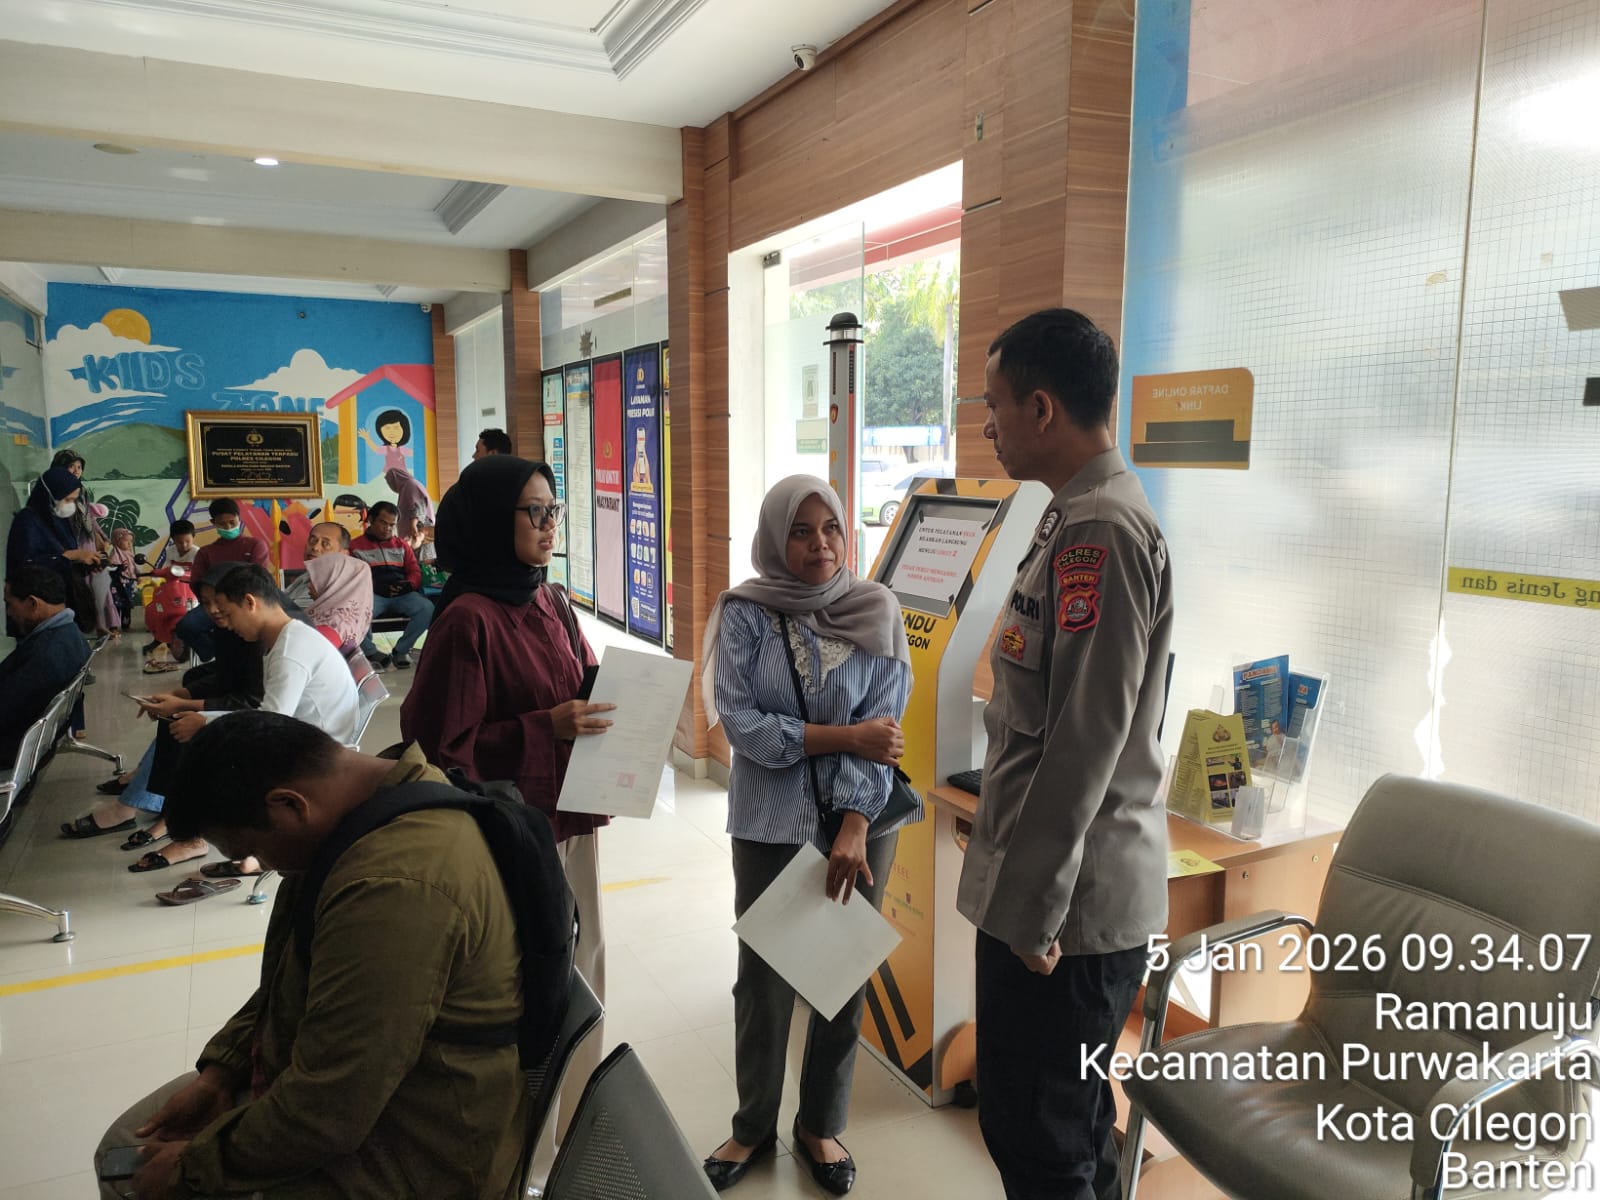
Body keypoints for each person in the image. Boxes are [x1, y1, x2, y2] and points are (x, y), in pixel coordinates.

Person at [93, 711, 529, 1200]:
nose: (268, 866)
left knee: (135, 1177)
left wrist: (193, 1167)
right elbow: (293, 978)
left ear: (288, 804)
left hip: (422, 1150)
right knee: (127, 1143)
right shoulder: (375, 797)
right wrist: (222, 1071)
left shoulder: (392, 887)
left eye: (254, 849)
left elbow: (332, 1108)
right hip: (370, 1088)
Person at [958, 309, 1175, 1200]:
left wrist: (1033, 913)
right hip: (1052, 896)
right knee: (1059, 1130)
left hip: (1069, 915)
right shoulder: (1072, 515)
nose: (989, 426)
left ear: (1042, 408)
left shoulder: (1101, 531)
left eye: (995, 405)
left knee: (1040, 1139)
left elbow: (1085, 740)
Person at [699, 475, 912, 1197]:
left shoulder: (876, 609)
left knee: (841, 976)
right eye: (800, 531)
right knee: (763, 982)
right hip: (769, 822)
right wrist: (844, 735)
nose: (819, 545)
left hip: (862, 820)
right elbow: (744, 726)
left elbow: (885, 732)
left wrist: (855, 821)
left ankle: (820, 1124)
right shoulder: (744, 613)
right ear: (773, 538)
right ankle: (752, 1125)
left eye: (830, 529)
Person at [399, 455, 612, 1168]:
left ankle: (577, 1131)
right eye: (535, 512)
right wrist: (543, 726)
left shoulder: (549, 600)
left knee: (585, 965)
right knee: (533, 984)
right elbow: (439, 751)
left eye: (555, 510)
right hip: (512, 837)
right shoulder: (467, 620)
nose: (550, 525)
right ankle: (530, 1158)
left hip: (571, 815)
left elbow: (579, 678)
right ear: (495, 520)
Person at [125, 564, 359, 878]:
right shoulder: (286, 637)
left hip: (318, 750)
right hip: (308, 735)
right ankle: (220, 843)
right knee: (202, 739)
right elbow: (269, 714)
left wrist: (205, 722)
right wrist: (202, 717)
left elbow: (271, 721)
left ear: (250, 602)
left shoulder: (290, 650)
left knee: (212, 756)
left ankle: (202, 839)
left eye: (228, 614)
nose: (227, 624)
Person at [0, 565, 90, 768]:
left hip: (11, 749)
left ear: (32, 603)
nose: (9, 613)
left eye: (10, 604)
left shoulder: (45, 655)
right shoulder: (70, 635)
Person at [5, 467, 103, 636]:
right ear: (50, 495)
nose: (71, 505)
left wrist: (84, 564)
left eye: (74, 500)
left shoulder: (57, 520)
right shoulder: (27, 521)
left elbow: (61, 557)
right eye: (67, 499)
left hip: (59, 604)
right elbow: (25, 565)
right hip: (36, 608)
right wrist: (72, 555)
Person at [171, 499, 270, 662]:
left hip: (246, 603)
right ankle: (215, 655)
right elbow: (197, 583)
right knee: (186, 626)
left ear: (239, 519)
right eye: (222, 524)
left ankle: (234, 659)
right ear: (213, 523)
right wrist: (213, 603)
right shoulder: (206, 552)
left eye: (232, 522)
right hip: (214, 604)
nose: (228, 527)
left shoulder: (255, 545)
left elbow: (259, 579)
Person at [353, 500, 431, 669]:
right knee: (355, 612)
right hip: (372, 595)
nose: (387, 528)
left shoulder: (402, 545)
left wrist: (409, 585)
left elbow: (414, 571)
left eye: (392, 525)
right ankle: (371, 652)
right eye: (383, 523)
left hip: (402, 594)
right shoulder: (355, 547)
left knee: (427, 609)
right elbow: (354, 578)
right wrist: (375, 586)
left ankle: (401, 650)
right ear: (371, 520)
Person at [304, 526, 373, 651]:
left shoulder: (329, 628)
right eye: (312, 540)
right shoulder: (345, 618)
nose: (315, 548)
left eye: (325, 544)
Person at [385, 466, 437, 564]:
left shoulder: (410, 484)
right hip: (416, 531)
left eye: (390, 482)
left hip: (419, 530)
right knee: (416, 561)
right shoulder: (406, 488)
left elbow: (418, 505)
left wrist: (413, 525)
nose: (391, 486)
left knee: (423, 561)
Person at [360, 407, 414, 474]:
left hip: (402, 473)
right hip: (389, 474)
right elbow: (376, 449)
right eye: (387, 428)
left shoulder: (402, 450)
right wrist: (367, 439)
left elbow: (413, 453)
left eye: (396, 427)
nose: (392, 432)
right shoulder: (386, 449)